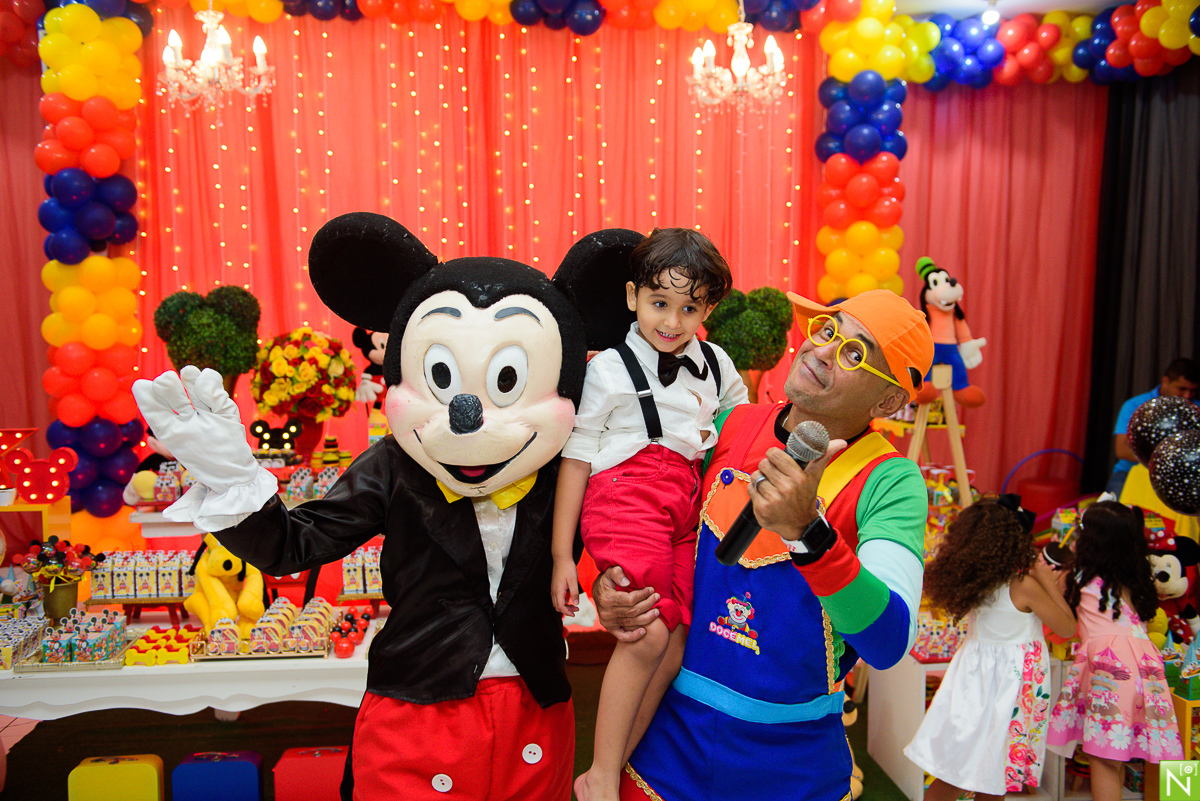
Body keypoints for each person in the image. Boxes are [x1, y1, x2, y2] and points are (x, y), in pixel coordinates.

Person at [594, 288, 935, 801]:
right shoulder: (734, 422)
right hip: (668, 750)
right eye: (827, 331)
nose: (822, 350)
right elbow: (649, 515)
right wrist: (606, 583)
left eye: (854, 353)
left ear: (888, 401)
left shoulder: (890, 482)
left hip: (792, 769)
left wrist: (810, 535)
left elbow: (889, 642)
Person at [551, 228, 748, 801]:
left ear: (708, 308)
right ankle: (603, 772)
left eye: (690, 308)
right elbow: (577, 460)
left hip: (689, 500)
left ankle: (613, 765)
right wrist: (565, 555)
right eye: (660, 303)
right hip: (626, 496)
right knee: (644, 631)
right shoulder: (609, 370)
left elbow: (742, 425)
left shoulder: (716, 363)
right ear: (633, 297)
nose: (673, 321)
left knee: (681, 636)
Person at [904, 496, 1077, 801]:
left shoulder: (979, 582)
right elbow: (1068, 629)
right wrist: (1047, 579)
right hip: (1010, 688)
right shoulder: (1023, 585)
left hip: (977, 681)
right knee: (986, 773)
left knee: (971, 771)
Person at [1047, 501, 1184, 798]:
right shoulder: (1136, 579)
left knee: (1104, 759)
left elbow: (1060, 623)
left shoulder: (1076, 578)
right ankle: (1184, 792)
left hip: (1111, 667)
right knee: (1134, 752)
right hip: (1146, 664)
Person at [1108, 357, 1199, 494]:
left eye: (1192, 391)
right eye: (1182, 389)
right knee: (1114, 510)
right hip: (1130, 471)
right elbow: (1121, 450)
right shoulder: (1135, 405)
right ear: (1165, 381)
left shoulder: (1196, 408)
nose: (1187, 396)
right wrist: (1167, 463)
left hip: (1182, 478)